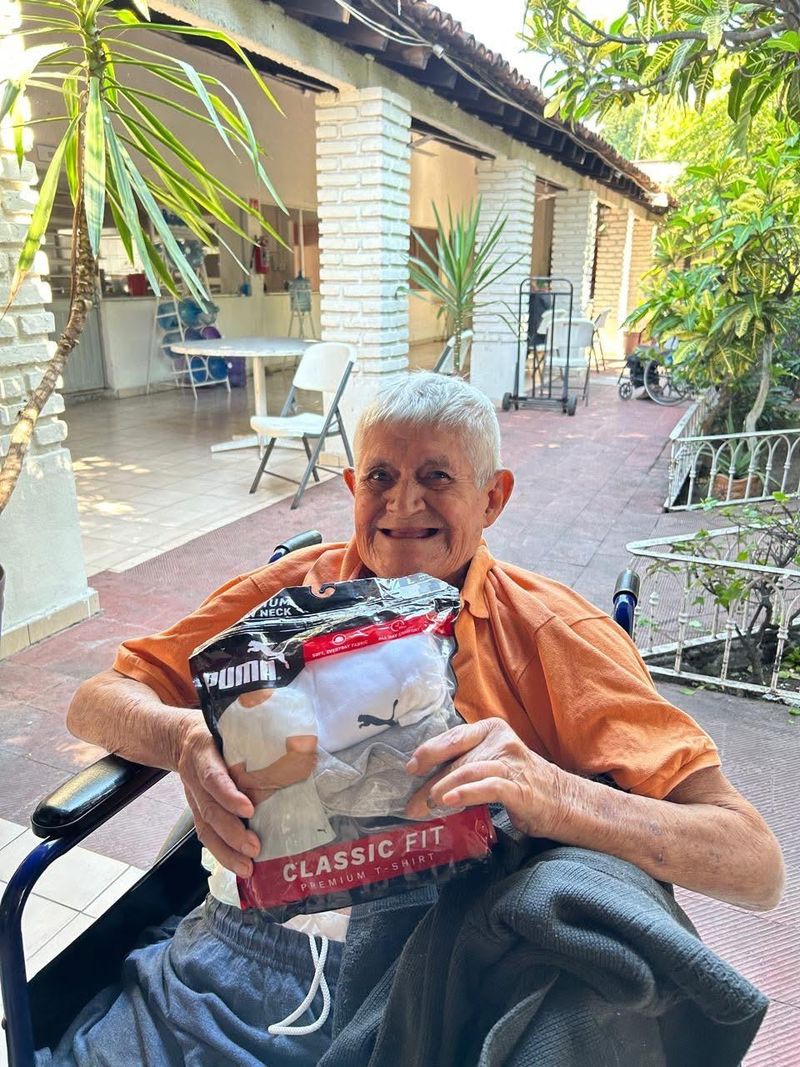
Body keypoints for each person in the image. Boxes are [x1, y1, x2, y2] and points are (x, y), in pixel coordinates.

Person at [53, 371, 784, 1066]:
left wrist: (555, 793)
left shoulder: (549, 632)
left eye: (437, 476)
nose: (402, 505)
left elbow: (754, 862)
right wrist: (183, 739)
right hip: (233, 949)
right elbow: (101, 696)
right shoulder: (291, 595)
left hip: (424, 981)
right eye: (380, 476)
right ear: (350, 487)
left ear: (493, 497)